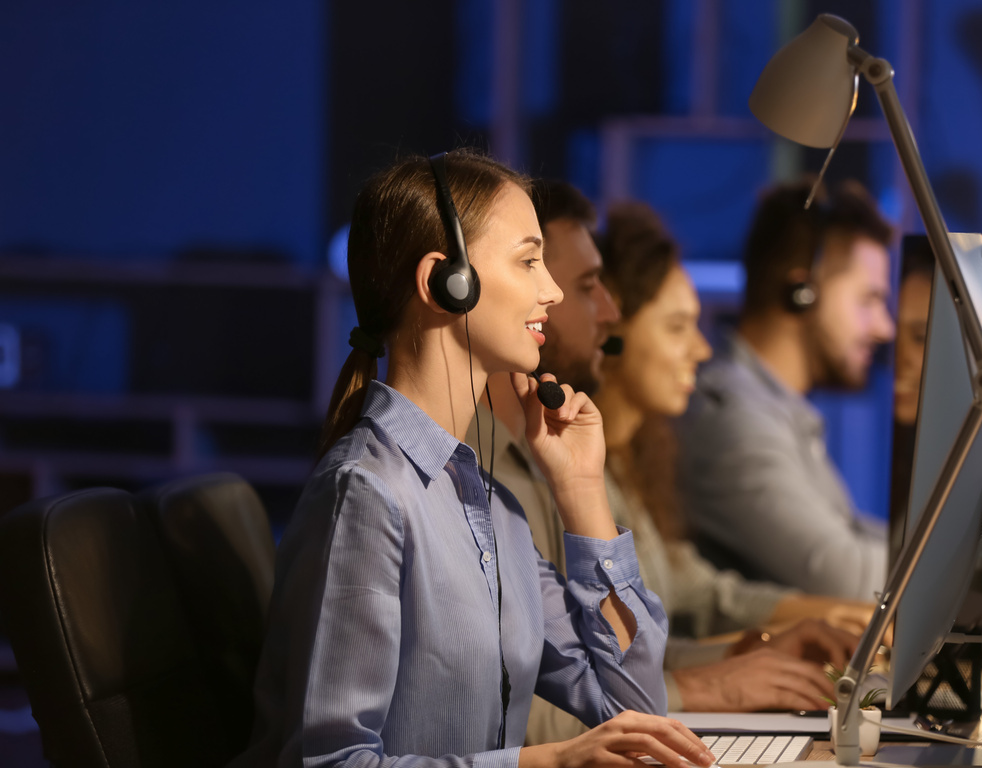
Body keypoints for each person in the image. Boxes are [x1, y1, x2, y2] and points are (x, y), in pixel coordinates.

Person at [235, 151, 715, 768]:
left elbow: (635, 704)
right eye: (529, 260)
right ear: (446, 280)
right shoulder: (366, 493)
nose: (553, 290)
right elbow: (333, 763)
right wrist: (548, 763)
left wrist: (580, 490)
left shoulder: (488, 503)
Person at [471, 184, 869, 744]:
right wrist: (726, 675)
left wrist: (746, 649)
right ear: (459, 287)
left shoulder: (563, 460)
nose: (606, 309)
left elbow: (622, 666)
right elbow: (513, 714)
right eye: (585, 286)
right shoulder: (471, 476)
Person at [678, 177, 896, 601]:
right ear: (803, 292)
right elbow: (848, 578)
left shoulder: (776, 411)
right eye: (868, 300)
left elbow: (851, 531)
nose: (885, 328)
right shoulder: (733, 421)